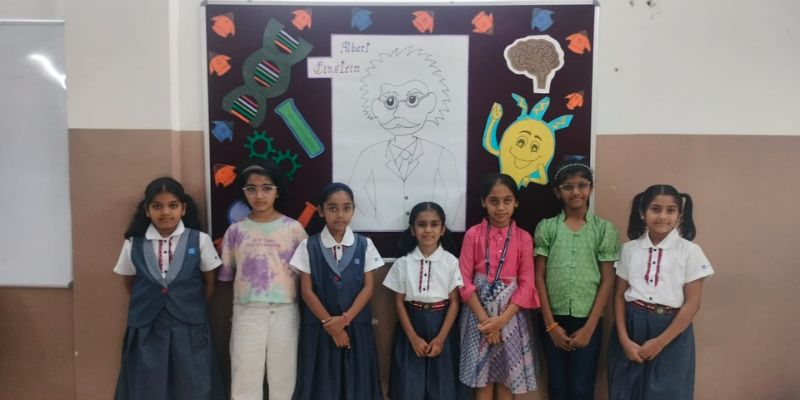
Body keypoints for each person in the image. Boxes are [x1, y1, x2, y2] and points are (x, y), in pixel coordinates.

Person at [113, 177, 225, 400]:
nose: (165, 212)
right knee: (149, 385)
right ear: (147, 211)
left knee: (191, 384)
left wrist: (191, 307)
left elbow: (210, 283)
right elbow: (130, 282)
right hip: (148, 325)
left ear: (183, 208)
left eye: (173, 205)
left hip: (189, 325)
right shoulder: (133, 243)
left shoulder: (200, 240)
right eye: (157, 206)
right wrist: (152, 300)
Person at [608, 184, 714, 400]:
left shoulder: (690, 252)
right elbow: (618, 295)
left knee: (667, 392)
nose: (663, 216)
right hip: (631, 327)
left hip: (671, 331)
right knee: (626, 390)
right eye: (655, 209)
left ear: (679, 215)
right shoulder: (629, 250)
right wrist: (624, 340)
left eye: (670, 210)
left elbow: (693, 303)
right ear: (642, 212)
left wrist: (659, 343)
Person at [218, 160, 308, 400]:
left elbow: (306, 277)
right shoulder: (236, 231)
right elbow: (227, 275)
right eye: (251, 189)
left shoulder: (294, 229)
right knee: (244, 379)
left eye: (266, 188)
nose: (259, 195)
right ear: (244, 192)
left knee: (284, 380)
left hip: (285, 311)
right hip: (247, 311)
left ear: (277, 191)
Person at [533, 158, 620, 400]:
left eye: (582, 185)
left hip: (588, 319)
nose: (576, 192)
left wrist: (589, 329)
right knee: (558, 385)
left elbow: (607, 280)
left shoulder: (603, 229)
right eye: (568, 187)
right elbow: (538, 276)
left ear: (590, 188)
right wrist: (550, 326)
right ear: (557, 192)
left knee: (582, 386)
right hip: (553, 318)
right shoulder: (547, 228)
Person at [290, 183, 384, 400]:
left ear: (353, 210)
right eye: (332, 208)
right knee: (322, 384)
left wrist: (344, 320)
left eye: (346, 208)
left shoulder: (365, 244)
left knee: (357, 384)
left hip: (356, 328)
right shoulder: (308, 246)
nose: (340, 215)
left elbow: (368, 288)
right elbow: (307, 292)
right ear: (321, 211)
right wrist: (332, 327)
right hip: (320, 329)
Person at [459, 173, 540, 399]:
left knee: (507, 379)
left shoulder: (524, 238)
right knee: (482, 381)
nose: (501, 207)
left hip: (511, 317)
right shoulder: (473, 235)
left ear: (516, 202)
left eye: (507, 200)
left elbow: (527, 284)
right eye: (494, 201)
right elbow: (463, 280)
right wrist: (487, 323)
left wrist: (501, 322)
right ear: (483, 202)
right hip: (477, 316)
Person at [383, 202, 464, 399]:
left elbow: (455, 302)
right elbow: (399, 302)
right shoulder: (403, 263)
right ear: (412, 230)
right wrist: (412, 337)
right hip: (411, 326)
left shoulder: (451, 262)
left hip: (442, 327)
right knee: (408, 386)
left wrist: (440, 339)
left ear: (442, 229)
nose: (428, 230)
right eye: (421, 224)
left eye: (434, 224)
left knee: (441, 386)